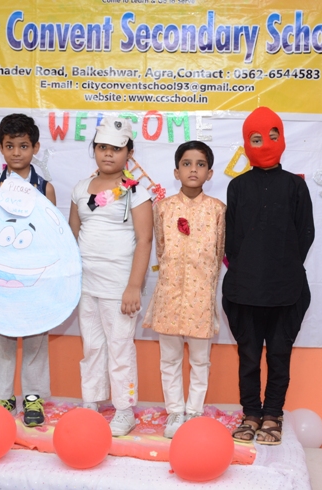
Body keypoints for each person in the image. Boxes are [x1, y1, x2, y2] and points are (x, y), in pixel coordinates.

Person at [222, 106, 314, 445]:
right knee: (248, 357)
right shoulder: (237, 187)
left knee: (279, 354)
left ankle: (273, 415)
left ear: (282, 138)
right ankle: (250, 414)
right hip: (244, 290)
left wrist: (281, 267)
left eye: (272, 136)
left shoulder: (295, 186)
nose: (265, 144)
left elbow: (306, 234)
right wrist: (249, 268)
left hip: (285, 290)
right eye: (257, 138)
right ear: (247, 143)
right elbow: (231, 239)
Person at [68, 116, 153, 437]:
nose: (108, 154)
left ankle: (124, 410)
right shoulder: (80, 189)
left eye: (116, 149)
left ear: (129, 153)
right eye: (102, 147)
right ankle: (91, 401)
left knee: (120, 348)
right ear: (94, 149)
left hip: (120, 287)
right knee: (92, 346)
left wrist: (134, 286)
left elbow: (145, 240)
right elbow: (72, 235)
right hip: (85, 284)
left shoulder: (136, 192)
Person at [142, 140, 225, 438]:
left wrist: (205, 285)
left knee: (200, 359)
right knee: (170, 359)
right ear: (176, 172)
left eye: (200, 165)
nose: (193, 170)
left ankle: (195, 412)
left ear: (209, 173)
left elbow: (218, 253)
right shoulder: (163, 208)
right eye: (186, 164)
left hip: (201, 297)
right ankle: (175, 412)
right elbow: (161, 250)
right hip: (169, 294)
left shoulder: (217, 210)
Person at [0, 113, 56, 427]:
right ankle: (2, 396)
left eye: (23, 146)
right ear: (0, 147)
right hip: (1, 276)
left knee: (36, 337)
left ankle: (33, 397)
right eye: (10, 146)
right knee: (3, 337)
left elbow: (52, 237)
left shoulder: (45, 188)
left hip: (34, 277)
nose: (16, 152)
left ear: (35, 148)